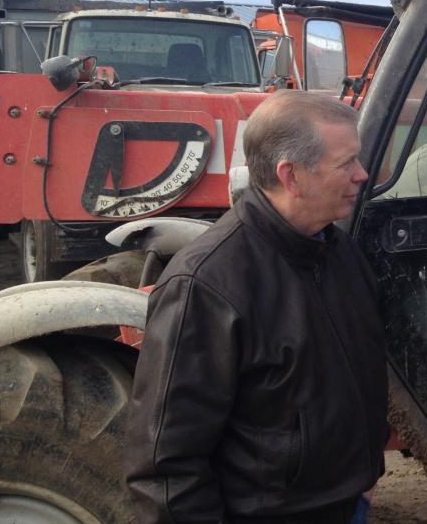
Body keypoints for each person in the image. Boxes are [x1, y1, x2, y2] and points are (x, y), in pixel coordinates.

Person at [124, 90, 389, 524]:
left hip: (346, 503)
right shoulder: (207, 285)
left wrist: (362, 472)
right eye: (347, 164)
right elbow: (165, 466)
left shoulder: (336, 251)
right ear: (291, 176)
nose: (363, 175)